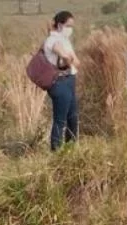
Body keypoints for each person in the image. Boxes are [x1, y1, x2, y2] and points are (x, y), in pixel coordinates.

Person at [43, 11, 80, 152]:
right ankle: (56, 151)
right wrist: (68, 58)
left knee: (72, 118)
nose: (70, 29)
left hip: (69, 79)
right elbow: (66, 57)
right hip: (60, 81)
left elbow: (77, 62)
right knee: (60, 119)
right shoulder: (52, 40)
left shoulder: (65, 41)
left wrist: (69, 58)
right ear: (60, 25)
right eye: (68, 26)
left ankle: (71, 149)